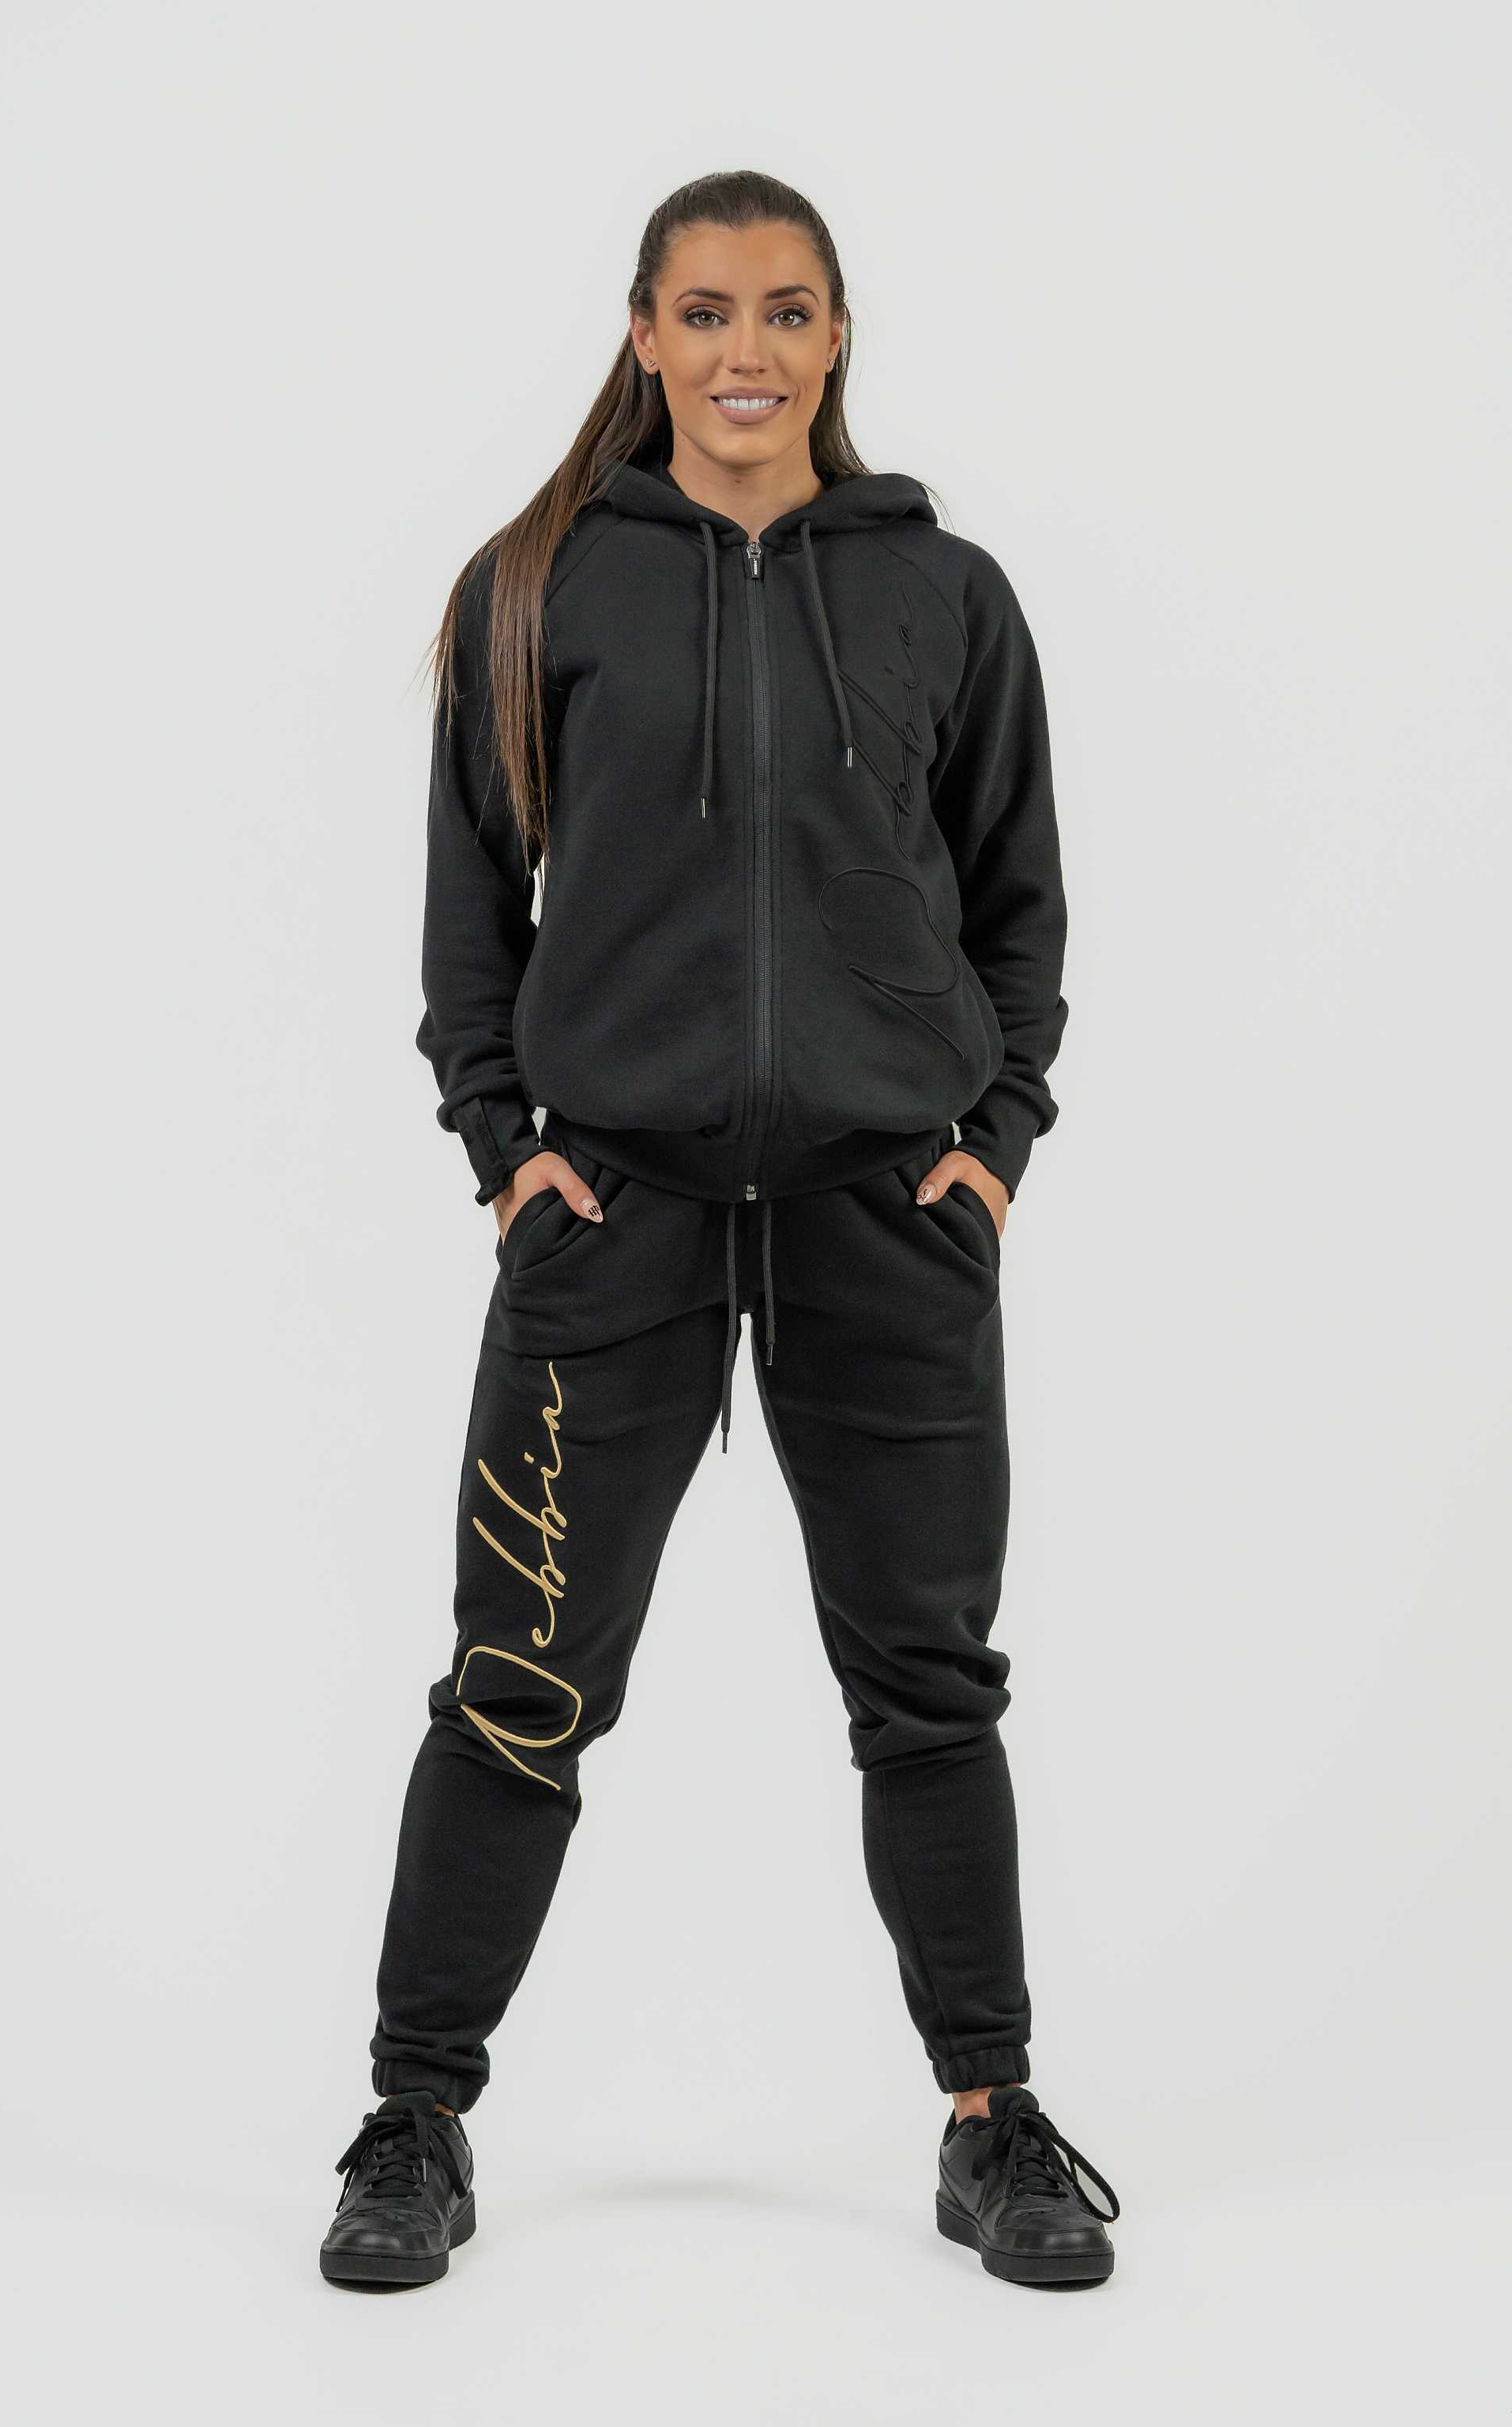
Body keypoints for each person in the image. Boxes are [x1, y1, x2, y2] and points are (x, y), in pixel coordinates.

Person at [320, 169, 1119, 2293]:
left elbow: (1018, 898)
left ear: (836, 336)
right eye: (704, 311)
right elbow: (472, 908)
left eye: (784, 310)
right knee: (519, 1682)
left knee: (928, 1688)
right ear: (645, 335)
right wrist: (504, 1144)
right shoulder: (541, 588)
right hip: (619, 1220)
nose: (745, 350)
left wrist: (994, 1140)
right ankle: (413, 2120)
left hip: (884, 1218)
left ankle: (993, 2121)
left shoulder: (945, 593)